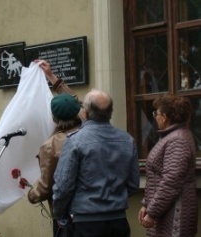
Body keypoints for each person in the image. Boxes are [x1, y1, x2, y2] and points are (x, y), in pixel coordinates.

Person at [53, 88, 140, 237]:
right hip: (118, 221)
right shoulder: (127, 140)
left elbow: (63, 186)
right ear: (110, 112)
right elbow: (133, 184)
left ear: (85, 113)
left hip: (86, 222)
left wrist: (60, 214)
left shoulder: (75, 141)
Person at [27, 60, 83, 237]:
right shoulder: (89, 127)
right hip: (93, 212)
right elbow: (76, 102)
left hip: (66, 216)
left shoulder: (51, 145)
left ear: (54, 118)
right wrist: (52, 77)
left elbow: (46, 185)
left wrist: (31, 194)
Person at [138, 94, 197, 237]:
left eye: (155, 113)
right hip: (165, 212)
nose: (155, 117)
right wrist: (147, 204)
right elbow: (156, 177)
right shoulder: (171, 136)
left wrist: (152, 212)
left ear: (164, 117)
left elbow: (171, 182)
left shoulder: (178, 140)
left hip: (175, 213)